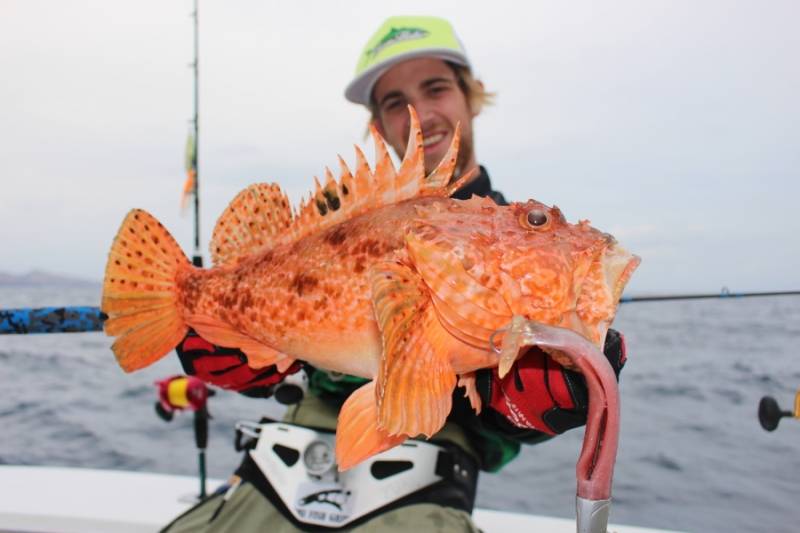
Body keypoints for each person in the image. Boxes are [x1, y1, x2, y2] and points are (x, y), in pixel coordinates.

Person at [162, 16, 626, 533]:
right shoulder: (342, 214)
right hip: (290, 450)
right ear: (378, 125)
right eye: (394, 102)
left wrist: (518, 410)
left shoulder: (494, 224)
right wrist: (249, 355)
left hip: (435, 466)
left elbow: (492, 416)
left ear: (469, 99)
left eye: (436, 89)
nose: (421, 114)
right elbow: (312, 335)